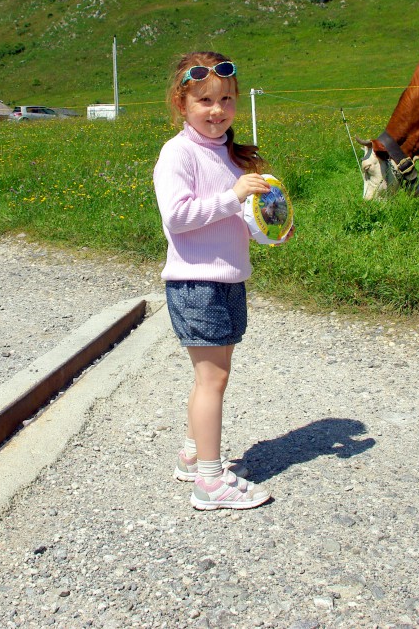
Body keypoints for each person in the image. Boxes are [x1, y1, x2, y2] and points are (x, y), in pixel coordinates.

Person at [152, 50, 289, 511]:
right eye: (205, 100)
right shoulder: (178, 154)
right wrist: (232, 196)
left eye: (226, 99)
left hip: (228, 279)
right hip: (196, 284)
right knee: (212, 379)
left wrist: (271, 227)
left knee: (214, 376)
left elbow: (243, 218)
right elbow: (178, 216)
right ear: (181, 102)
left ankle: (193, 456)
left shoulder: (230, 155)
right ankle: (210, 483)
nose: (218, 110)